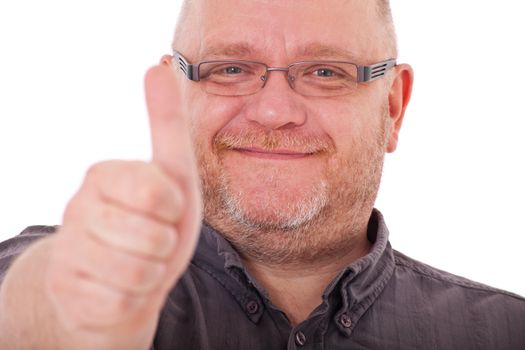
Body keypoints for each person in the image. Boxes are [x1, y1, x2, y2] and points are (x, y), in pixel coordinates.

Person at [0, 0, 524, 349]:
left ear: (393, 106)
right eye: (230, 68)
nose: (274, 112)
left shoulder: (506, 331)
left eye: (325, 72)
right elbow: (26, 303)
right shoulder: (62, 268)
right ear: (178, 92)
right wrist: (68, 311)